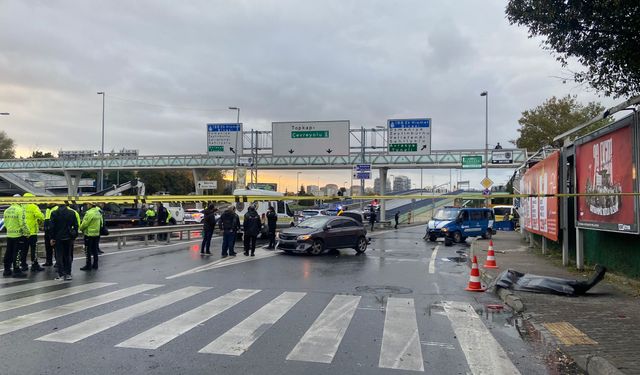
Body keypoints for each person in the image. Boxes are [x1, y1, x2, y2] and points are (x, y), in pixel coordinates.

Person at [49, 203, 79, 281]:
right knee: (68, 256)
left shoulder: (54, 213)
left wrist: (52, 238)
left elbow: (52, 227)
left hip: (58, 238)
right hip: (68, 237)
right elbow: (76, 225)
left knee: (59, 256)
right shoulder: (72, 213)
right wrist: (74, 235)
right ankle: (68, 274)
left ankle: (61, 275)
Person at [2, 195, 29, 278]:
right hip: (18, 235)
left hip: (9, 234)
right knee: (17, 253)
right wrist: (27, 233)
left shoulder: (7, 210)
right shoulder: (20, 210)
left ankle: (6, 270)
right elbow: (22, 223)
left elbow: (5, 223)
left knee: (8, 252)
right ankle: (16, 271)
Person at [21, 193, 45, 272]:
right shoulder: (33, 206)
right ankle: (34, 265)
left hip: (23, 232)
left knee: (24, 250)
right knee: (33, 249)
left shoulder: (21, 206)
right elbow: (41, 216)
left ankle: (23, 265)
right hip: (32, 232)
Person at [79, 203, 102, 271]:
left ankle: (88, 265)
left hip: (89, 234)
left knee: (88, 251)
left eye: (88, 204)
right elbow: (101, 222)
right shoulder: (98, 212)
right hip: (96, 234)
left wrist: (81, 228)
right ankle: (95, 265)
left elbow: (85, 223)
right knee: (95, 250)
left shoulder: (89, 213)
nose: (87, 205)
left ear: (91, 205)